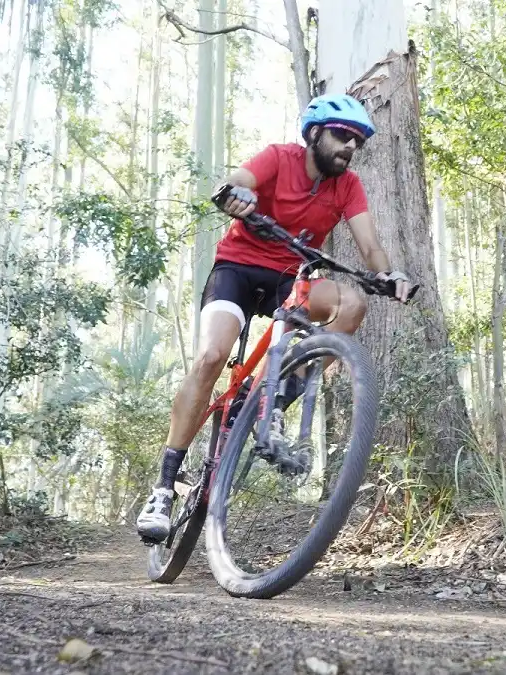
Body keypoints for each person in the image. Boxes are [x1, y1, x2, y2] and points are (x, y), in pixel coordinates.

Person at [136, 93, 414, 542]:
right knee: (210, 356)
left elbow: (369, 245)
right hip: (238, 270)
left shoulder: (349, 186)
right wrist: (236, 195)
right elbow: (238, 180)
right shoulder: (277, 158)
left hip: (293, 276)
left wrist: (387, 274)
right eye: (342, 136)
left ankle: (270, 396)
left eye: (357, 142)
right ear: (315, 134)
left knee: (353, 304)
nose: (349, 147)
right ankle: (164, 487)